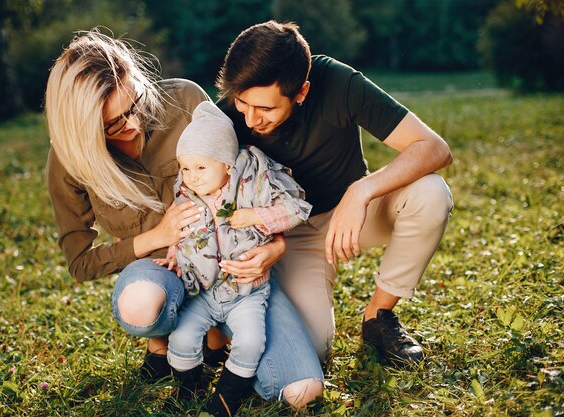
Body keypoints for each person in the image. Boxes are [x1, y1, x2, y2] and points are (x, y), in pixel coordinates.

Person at [44, 29, 323, 411]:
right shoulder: (68, 161)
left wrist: (275, 245)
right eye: (111, 123)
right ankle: (166, 341)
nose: (132, 124)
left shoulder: (186, 100)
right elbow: (80, 262)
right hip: (165, 272)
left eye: (134, 105)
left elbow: (246, 176)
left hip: (237, 274)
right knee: (140, 304)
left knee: (299, 389)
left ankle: (214, 341)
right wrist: (158, 235)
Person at [216, 21, 454, 368]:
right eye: (242, 103)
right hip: (286, 237)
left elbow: (434, 148)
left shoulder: (338, 82)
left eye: (266, 109)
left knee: (431, 193)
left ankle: (378, 316)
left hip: (354, 216)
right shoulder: (227, 118)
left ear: (301, 91)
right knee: (312, 352)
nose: (251, 120)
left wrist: (360, 191)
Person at [154, 101, 312, 415]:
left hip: (248, 291)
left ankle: (226, 397)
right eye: (186, 168)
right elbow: (183, 236)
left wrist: (258, 216)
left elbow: (296, 210)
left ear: (227, 165)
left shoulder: (252, 185)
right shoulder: (187, 195)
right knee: (183, 339)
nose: (193, 177)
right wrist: (174, 257)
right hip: (202, 290)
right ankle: (188, 388)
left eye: (201, 168)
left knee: (251, 341)